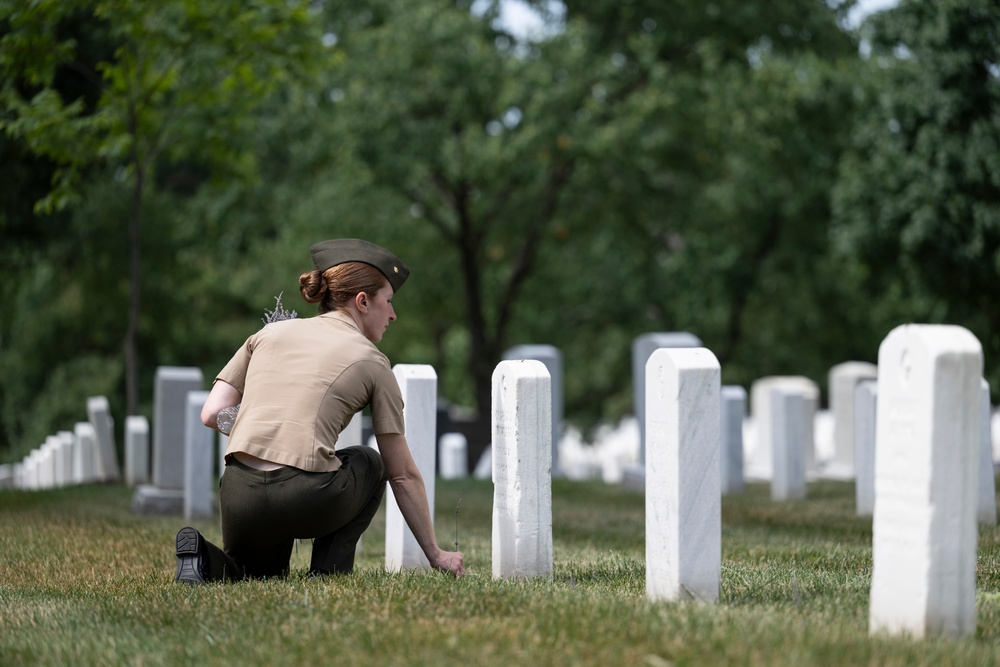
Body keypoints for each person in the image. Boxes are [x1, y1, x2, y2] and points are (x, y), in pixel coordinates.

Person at [174, 238, 465, 583]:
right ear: (362, 301)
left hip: (240, 491)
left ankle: (201, 556)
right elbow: (401, 473)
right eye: (387, 302)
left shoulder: (269, 333)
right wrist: (436, 553)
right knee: (371, 461)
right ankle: (326, 574)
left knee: (254, 575)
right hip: (306, 496)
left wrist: (266, 422)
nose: (392, 314)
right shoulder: (374, 361)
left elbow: (211, 413)